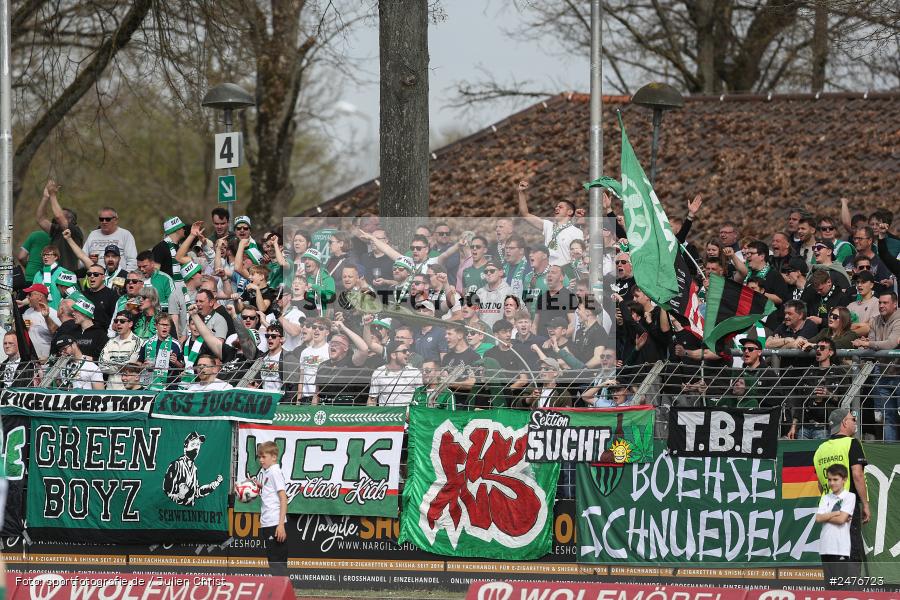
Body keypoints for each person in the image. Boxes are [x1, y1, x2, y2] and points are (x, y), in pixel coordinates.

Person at [813, 408, 870, 579]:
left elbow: (820, 485)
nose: (855, 422)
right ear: (844, 423)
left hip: (827, 508)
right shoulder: (851, 443)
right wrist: (866, 504)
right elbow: (858, 475)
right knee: (850, 550)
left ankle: (833, 593)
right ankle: (850, 594)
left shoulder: (820, 450)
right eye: (852, 419)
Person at [851, 292, 900, 440]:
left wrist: (867, 343)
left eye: (885, 303)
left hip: (898, 374)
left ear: (895, 304)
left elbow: (891, 344)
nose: (881, 306)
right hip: (883, 373)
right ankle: (892, 455)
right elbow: (873, 344)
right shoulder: (875, 320)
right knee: (887, 416)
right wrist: (866, 344)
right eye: (880, 303)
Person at [516, 179, 584, 266]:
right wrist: (521, 193)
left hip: (564, 274)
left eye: (560, 207)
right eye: (556, 207)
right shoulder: (548, 226)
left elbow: (578, 257)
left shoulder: (576, 232)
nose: (556, 208)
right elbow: (525, 214)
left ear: (570, 212)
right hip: (548, 272)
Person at [816, 463, 855, 590]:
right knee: (829, 587)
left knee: (840, 587)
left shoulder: (850, 497)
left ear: (844, 480)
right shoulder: (825, 497)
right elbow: (818, 518)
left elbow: (841, 520)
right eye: (829, 479)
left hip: (840, 548)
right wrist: (836, 513)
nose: (832, 483)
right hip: (825, 547)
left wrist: (827, 516)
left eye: (835, 479)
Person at [254, 441, 288, 578]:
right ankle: (281, 593)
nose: (261, 460)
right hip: (268, 522)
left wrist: (280, 526)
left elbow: (283, 498)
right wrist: (259, 486)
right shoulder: (268, 472)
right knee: (275, 563)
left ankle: (283, 594)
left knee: (277, 564)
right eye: (259, 457)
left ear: (274, 457)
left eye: (264, 457)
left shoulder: (274, 472)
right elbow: (270, 492)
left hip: (274, 523)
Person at [35, 180, 83, 272]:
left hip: (67, 276)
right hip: (52, 274)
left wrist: (53, 195)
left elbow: (58, 217)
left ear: (70, 220)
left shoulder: (75, 230)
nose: (56, 220)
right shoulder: (57, 230)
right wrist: (45, 197)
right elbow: (40, 219)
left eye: (62, 216)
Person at [81, 207, 138, 271]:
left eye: (107, 219)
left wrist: (126, 277)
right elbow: (82, 259)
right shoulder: (93, 234)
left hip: (118, 278)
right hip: (96, 276)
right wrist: (89, 260)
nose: (104, 222)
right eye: (101, 219)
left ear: (116, 220)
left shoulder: (125, 234)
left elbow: (132, 260)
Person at [367, 340, 421, 406]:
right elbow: (372, 400)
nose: (408, 353)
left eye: (407, 350)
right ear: (393, 355)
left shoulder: (415, 373)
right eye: (404, 351)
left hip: (408, 415)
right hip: (387, 415)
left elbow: (421, 397)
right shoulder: (379, 372)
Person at [100, 311, 140, 389]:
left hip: (128, 391)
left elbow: (131, 364)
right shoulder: (110, 342)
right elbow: (101, 365)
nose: (118, 323)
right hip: (110, 390)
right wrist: (120, 366)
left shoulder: (138, 342)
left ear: (130, 324)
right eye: (116, 321)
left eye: (122, 321)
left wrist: (111, 364)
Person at [22, 283, 59, 360]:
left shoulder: (53, 314)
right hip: (31, 359)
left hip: (47, 359)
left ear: (39, 297)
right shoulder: (27, 312)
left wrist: (46, 317)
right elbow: (25, 329)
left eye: (30, 294)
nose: (27, 297)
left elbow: (57, 333)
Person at [80, 264, 119, 331]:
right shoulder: (83, 295)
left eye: (96, 274)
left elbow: (116, 319)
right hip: (84, 334)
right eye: (89, 274)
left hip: (103, 335)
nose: (92, 276)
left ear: (103, 277)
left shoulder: (112, 295)